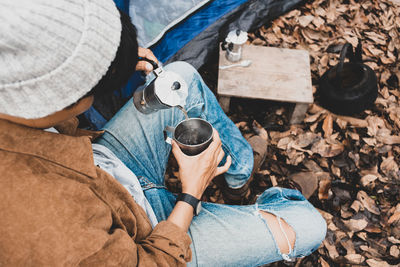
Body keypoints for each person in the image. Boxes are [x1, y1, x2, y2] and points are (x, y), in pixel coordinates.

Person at [0, 0, 327, 266]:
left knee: (178, 75)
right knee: (310, 226)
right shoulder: (35, 226)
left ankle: (238, 180)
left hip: (103, 168)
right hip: (146, 235)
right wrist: (191, 194)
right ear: (56, 97)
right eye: (93, 90)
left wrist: (114, 59)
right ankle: (223, 205)